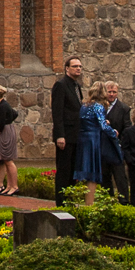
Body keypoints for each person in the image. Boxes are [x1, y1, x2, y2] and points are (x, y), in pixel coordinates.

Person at [51, 55, 84, 197]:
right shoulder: (61, 85)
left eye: (80, 66)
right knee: (64, 170)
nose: (78, 69)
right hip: (66, 135)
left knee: (73, 170)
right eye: (75, 66)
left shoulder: (77, 86)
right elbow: (57, 112)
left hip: (76, 135)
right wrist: (60, 135)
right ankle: (61, 201)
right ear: (67, 69)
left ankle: (69, 198)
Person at [76, 84, 109, 205]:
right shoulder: (98, 107)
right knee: (92, 173)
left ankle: (77, 198)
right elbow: (103, 126)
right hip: (93, 139)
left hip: (82, 138)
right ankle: (89, 204)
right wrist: (113, 132)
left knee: (83, 170)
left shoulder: (84, 106)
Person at [101, 81, 131, 204]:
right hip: (102, 148)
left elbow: (127, 128)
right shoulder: (99, 107)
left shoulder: (124, 108)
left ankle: (124, 200)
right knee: (104, 175)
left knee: (120, 176)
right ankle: (107, 200)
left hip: (116, 148)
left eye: (114, 92)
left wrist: (119, 138)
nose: (112, 94)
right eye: (109, 92)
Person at [0, 86, 20, 194]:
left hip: (6, 132)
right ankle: (9, 186)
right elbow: (14, 114)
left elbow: (2, 121)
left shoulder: (3, 105)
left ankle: (14, 186)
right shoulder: (1, 105)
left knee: (8, 159)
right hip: (6, 130)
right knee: (5, 160)